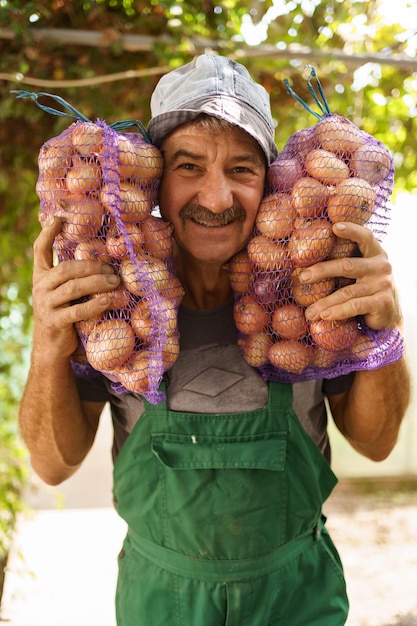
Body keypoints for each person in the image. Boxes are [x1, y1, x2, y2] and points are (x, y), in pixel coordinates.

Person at [19, 54, 410, 625]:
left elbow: (376, 444)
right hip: (162, 604)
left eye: (243, 170)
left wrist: (386, 332)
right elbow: (54, 466)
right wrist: (48, 346)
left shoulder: (305, 299)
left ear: (271, 182)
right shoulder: (117, 306)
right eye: (189, 165)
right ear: (155, 179)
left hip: (294, 600)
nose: (217, 197)